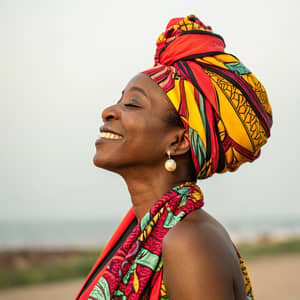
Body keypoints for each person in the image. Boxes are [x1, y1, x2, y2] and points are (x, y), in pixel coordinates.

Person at [76, 15, 272, 300]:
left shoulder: (190, 241)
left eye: (132, 103)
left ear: (179, 140)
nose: (109, 111)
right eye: (119, 100)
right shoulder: (153, 234)